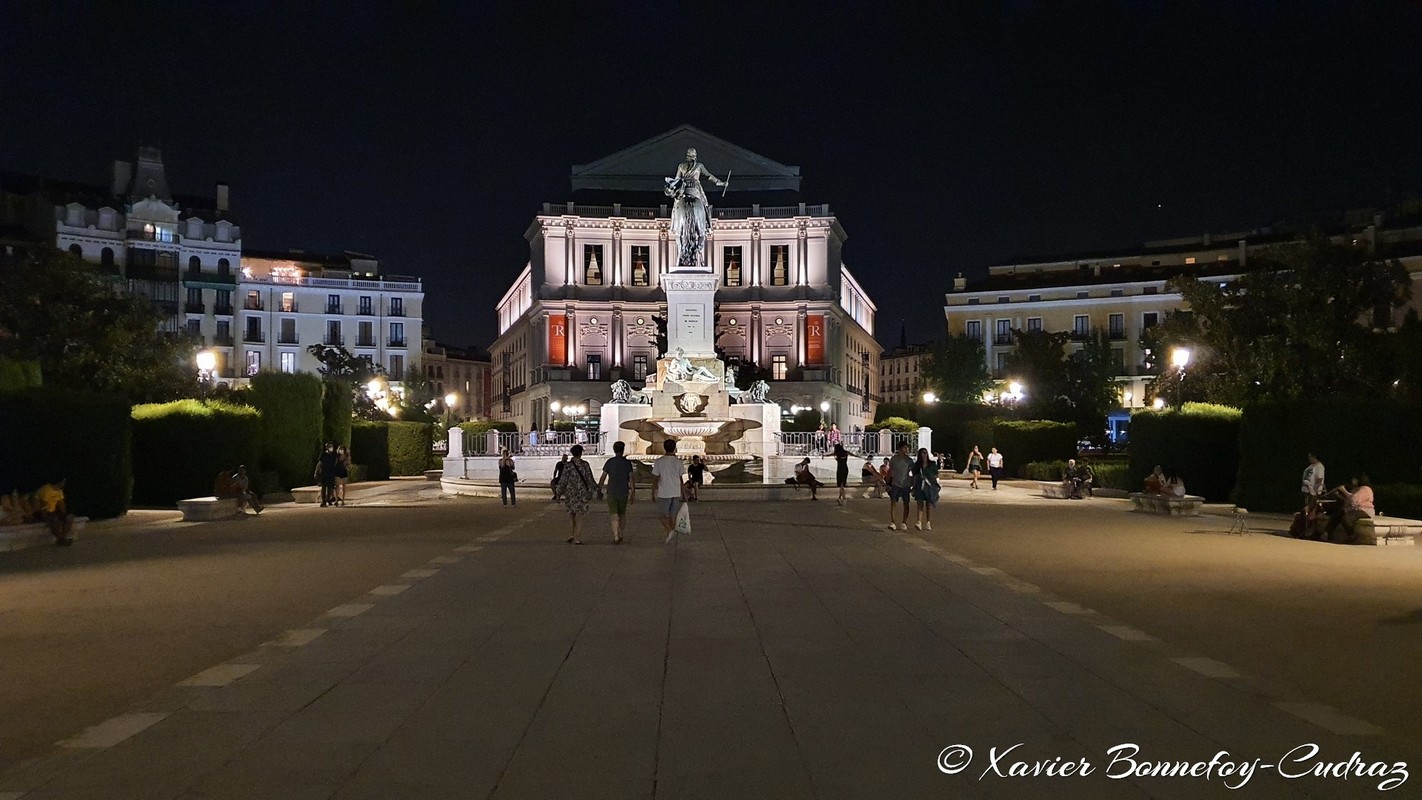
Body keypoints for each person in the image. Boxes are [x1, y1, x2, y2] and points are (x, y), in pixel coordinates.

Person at [664, 147, 726, 266]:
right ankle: (708, 224)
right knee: (705, 206)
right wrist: (721, 183)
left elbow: (677, 180)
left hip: (684, 191)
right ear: (695, 155)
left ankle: (675, 225)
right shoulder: (699, 165)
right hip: (696, 191)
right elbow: (709, 176)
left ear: (687, 155)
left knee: (675, 209)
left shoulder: (681, 166)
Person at [597, 440, 636, 544]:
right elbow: (631, 478)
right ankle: (621, 532)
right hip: (623, 491)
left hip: (612, 491)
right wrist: (633, 492)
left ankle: (615, 536)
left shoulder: (610, 462)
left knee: (614, 514)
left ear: (614, 450)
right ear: (623, 450)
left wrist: (599, 489)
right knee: (622, 514)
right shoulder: (627, 463)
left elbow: (603, 477)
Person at [556, 444, 597, 545]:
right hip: (582, 493)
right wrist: (596, 489)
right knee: (580, 515)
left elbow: (563, 480)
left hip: (570, 493)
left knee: (571, 514)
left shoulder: (568, 466)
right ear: (581, 453)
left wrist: (558, 493)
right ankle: (577, 538)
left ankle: (571, 534)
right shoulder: (585, 465)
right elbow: (589, 479)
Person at [652, 438, 686, 544]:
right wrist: (683, 492)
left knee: (661, 515)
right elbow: (681, 479)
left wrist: (653, 491)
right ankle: (670, 533)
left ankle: (669, 531)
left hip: (664, 492)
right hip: (675, 491)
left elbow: (655, 478)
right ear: (675, 448)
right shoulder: (679, 462)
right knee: (672, 515)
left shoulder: (659, 461)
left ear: (664, 447)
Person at [1326, 475, 1374, 542]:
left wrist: (1344, 490)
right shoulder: (1357, 489)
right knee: (1336, 514)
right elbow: (1349, 501)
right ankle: (1329, 534)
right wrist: (1339, 495)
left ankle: (1352, 535)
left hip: (1364, 510)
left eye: (1354, 479)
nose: (1353, 481)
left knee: (1347, 519)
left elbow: (1354, 500)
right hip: (1354, 509)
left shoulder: (1365, 489)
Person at [32, 480, 74, 545]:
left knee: (69, 517)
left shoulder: (59, 490)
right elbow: (43, 506)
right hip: (41, 512)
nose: (64, 483)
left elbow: (61, 504)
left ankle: (63, 537)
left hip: (52, 511)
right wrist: (47, 516)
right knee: (54, 520)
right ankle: (60, 539)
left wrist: (64, 515)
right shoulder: (46, 489)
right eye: (63, 481)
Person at [886, 442, 915, 530]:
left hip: (905, 485)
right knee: (893, 503)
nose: (906, 450)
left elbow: (913, 473)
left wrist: (912, 483)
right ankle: (893, 522)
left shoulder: (909, 460)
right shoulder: (894, 459)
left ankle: (904, 522)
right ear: (900, 449)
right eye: (905, 448)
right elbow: (890, 471)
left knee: (906, 504)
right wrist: (887, 483)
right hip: (895, 484)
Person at [912, 447, 940, 530]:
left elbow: (936, 475)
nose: (924, 455)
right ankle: (919, 521)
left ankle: (928, 522)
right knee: (920, 504)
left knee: (928, 504)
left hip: (929, 486)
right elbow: (914, 476)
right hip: (920, 486)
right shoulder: (917, 465)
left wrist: (929, 477)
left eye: (925, 453)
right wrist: (913, 486)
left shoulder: (932, 464)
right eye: (922, 453)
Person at [316, 442, 339, 507]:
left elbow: (336, 461)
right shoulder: (323, 454)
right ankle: (323, 501)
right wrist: (317, 472)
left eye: (331, 446)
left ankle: (328, 499)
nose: (331, 448)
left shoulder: (334, 454)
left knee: (330, 487)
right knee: (324, 487)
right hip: (324, 472)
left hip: (331, 472)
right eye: (329, 446)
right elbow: (320, 463)